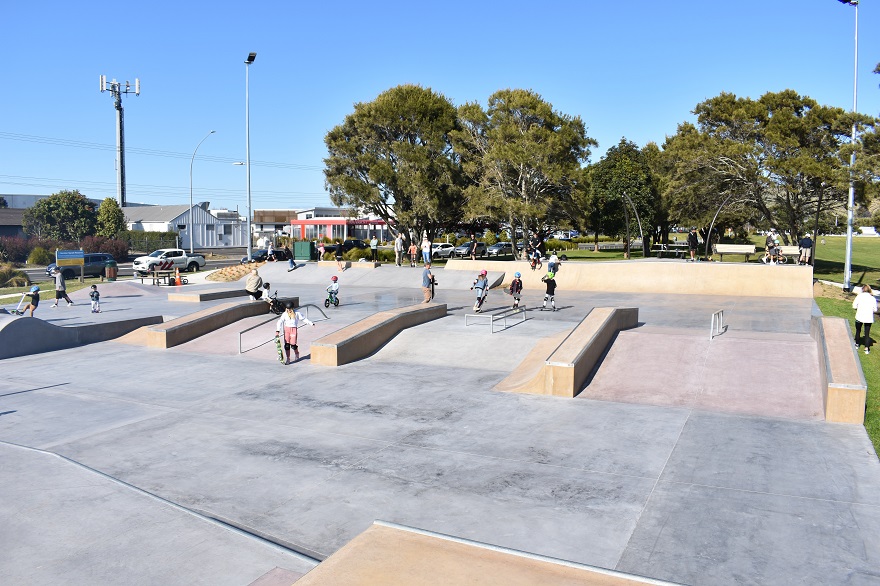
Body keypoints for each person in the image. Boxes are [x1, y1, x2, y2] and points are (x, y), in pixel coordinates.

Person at [275, 300, 315, 364]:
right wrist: (278, 330)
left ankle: (297, 353)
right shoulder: (285, 314)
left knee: (293, 345)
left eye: (290, 309)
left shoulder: (297, 313)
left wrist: (311, 323)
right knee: (287, 345)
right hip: (287, 329)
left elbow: (304, 319)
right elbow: (280, 321)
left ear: (293, 308)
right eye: (287, 309)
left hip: (293, 330)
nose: (288, 310)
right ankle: (288, 358)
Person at [853, 284, 877, 355]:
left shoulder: (859, 296)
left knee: (858, 330)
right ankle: (866, 348)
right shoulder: (872, 298)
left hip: (859, 316)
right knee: (867, 333)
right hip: (868, 318)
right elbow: (875, 309)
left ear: (863, 289)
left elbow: (854, 306)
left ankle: (857, 344)